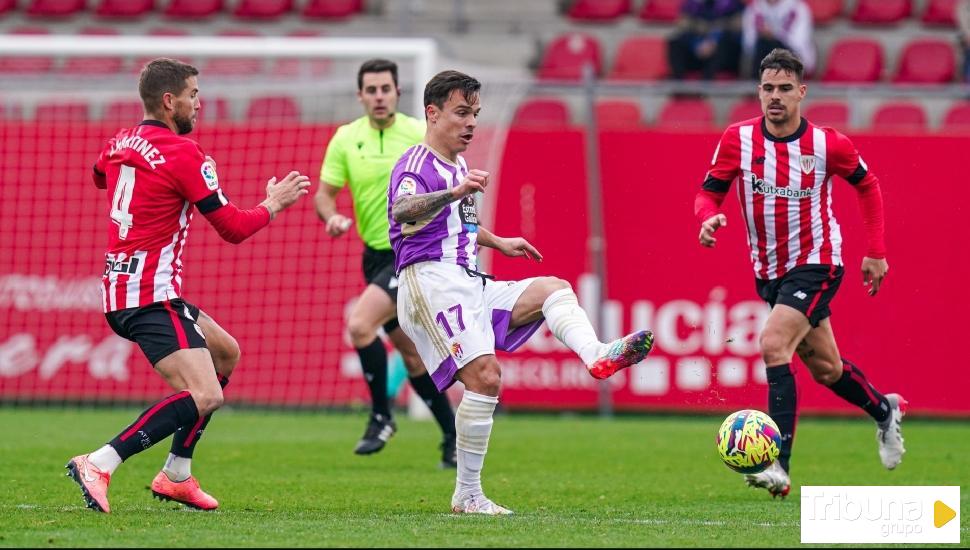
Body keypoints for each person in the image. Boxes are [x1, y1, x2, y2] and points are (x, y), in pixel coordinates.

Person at [388, 70, 655, 515]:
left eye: (475, 113)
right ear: (432, 114)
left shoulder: (456, 166)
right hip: (429, 283)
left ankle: (596, 356)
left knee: (553, 289)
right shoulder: (417, 164)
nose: (471, 123)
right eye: (461, 113)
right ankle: (468, 496)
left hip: (467, 278)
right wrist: (455, 191)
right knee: (487, 378)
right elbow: (402, 210)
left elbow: (461, 225)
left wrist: (499, 241)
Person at [66, 58, 310, 513]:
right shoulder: (185, 153)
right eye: (194, 94)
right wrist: (273, 203)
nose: (199, 103)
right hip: (148, 295)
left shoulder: (119, 141)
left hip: (125, 287)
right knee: (206, 394)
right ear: (168, 100)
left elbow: (99, 175)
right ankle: (99, 462)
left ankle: (177, 472)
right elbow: (233, 228)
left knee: (225, 352)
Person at [693, 49, 906, 498]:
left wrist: (876, 251)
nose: (775, 97)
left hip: (819, 262)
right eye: (768, 88)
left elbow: (867, 185)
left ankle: (778, 464)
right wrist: (706, 218)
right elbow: (708, 192)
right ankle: (884, 411)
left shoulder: (828, 144)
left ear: (801, 93)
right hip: (768, 271)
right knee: (827, 369)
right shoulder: (738, 139)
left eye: (785, 89)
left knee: (772, 343)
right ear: (759, 91)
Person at [315, 59, 458, 467]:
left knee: (360, 326)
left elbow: (449, 179)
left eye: (386, 89)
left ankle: (380, 416)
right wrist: (333, 216)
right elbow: (324, 195)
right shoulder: (346, 139)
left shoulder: (417, 133)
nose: (379, 96)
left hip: (411, 252)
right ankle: (452, 437)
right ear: (361, 95)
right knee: (412, 356)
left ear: (397, 92)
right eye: (371, 90)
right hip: (375, 255)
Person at [667, 0, 744, 80]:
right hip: (697, 50)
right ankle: (678, 82)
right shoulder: (692, 4)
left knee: (724, 43)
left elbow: (738, 24)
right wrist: (695, 45)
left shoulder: (733, 4)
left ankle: (708, 83)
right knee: (675, 42)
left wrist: (712, 39)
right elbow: (683, 24)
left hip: (723, 55)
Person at [742, 0, 815, 78]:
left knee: (773, 47)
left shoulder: (797, 7)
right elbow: (749, 43)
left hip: (792, 54)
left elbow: (799, 42)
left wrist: (774, 34)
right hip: (762, 52)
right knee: (764, 44)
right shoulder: (754, 8)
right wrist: (764, 35)